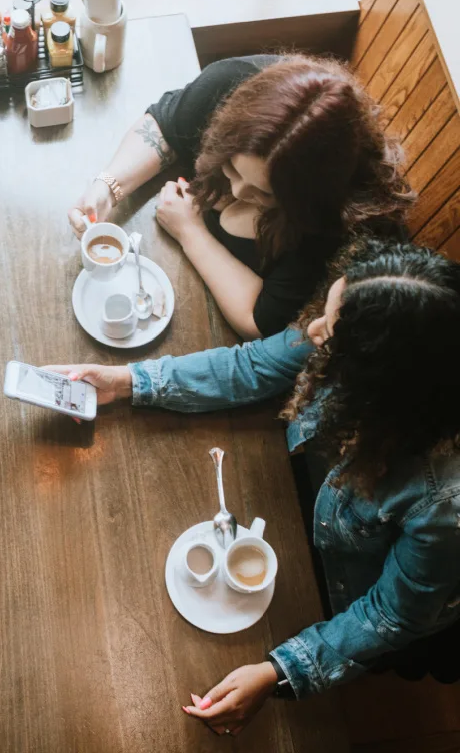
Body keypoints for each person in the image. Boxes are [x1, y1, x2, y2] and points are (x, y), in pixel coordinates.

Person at [49, 241, 460, 735]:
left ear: (379, 380)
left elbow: (391, 615)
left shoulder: (443, 502)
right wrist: (126, 382)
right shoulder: (372, 334)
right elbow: (253, 366)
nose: (311, 332)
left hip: (353, 588)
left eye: (327, 333)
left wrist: (278, 672)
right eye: (325, 314)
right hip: (311, 508)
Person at [68, 54, 413, 339]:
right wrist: (108, 187)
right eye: (232, 170)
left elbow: (259, 320)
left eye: (263, 194)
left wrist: (191, 230)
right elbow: (165, 125)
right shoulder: (227, 86)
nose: (236, 192)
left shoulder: (332, 217)